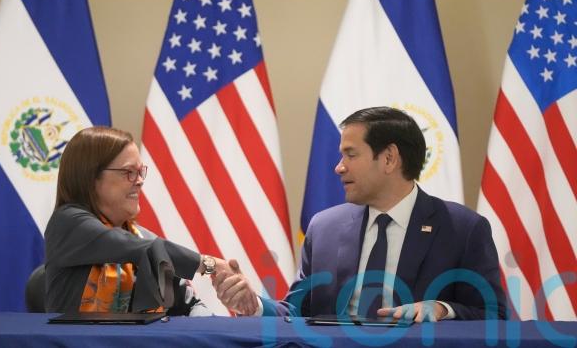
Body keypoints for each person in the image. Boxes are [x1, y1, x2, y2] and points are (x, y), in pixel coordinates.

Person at [214, 107, 507, 322]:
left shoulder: (462, 229)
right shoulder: (324, 228)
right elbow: (298, 312)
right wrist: (253, 304)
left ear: (389, 159)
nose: (339, 167)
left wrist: (443, 309)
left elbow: (493, 316)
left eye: (351, 155)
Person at [44, 126, 228, 315]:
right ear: (90, 177)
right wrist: (210, 265)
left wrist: (229, 320)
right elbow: (137, 247)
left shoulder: (142, 237)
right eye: (129, 172)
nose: (139, 181)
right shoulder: (66, 224)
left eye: (140, 172)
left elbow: (190, 305)